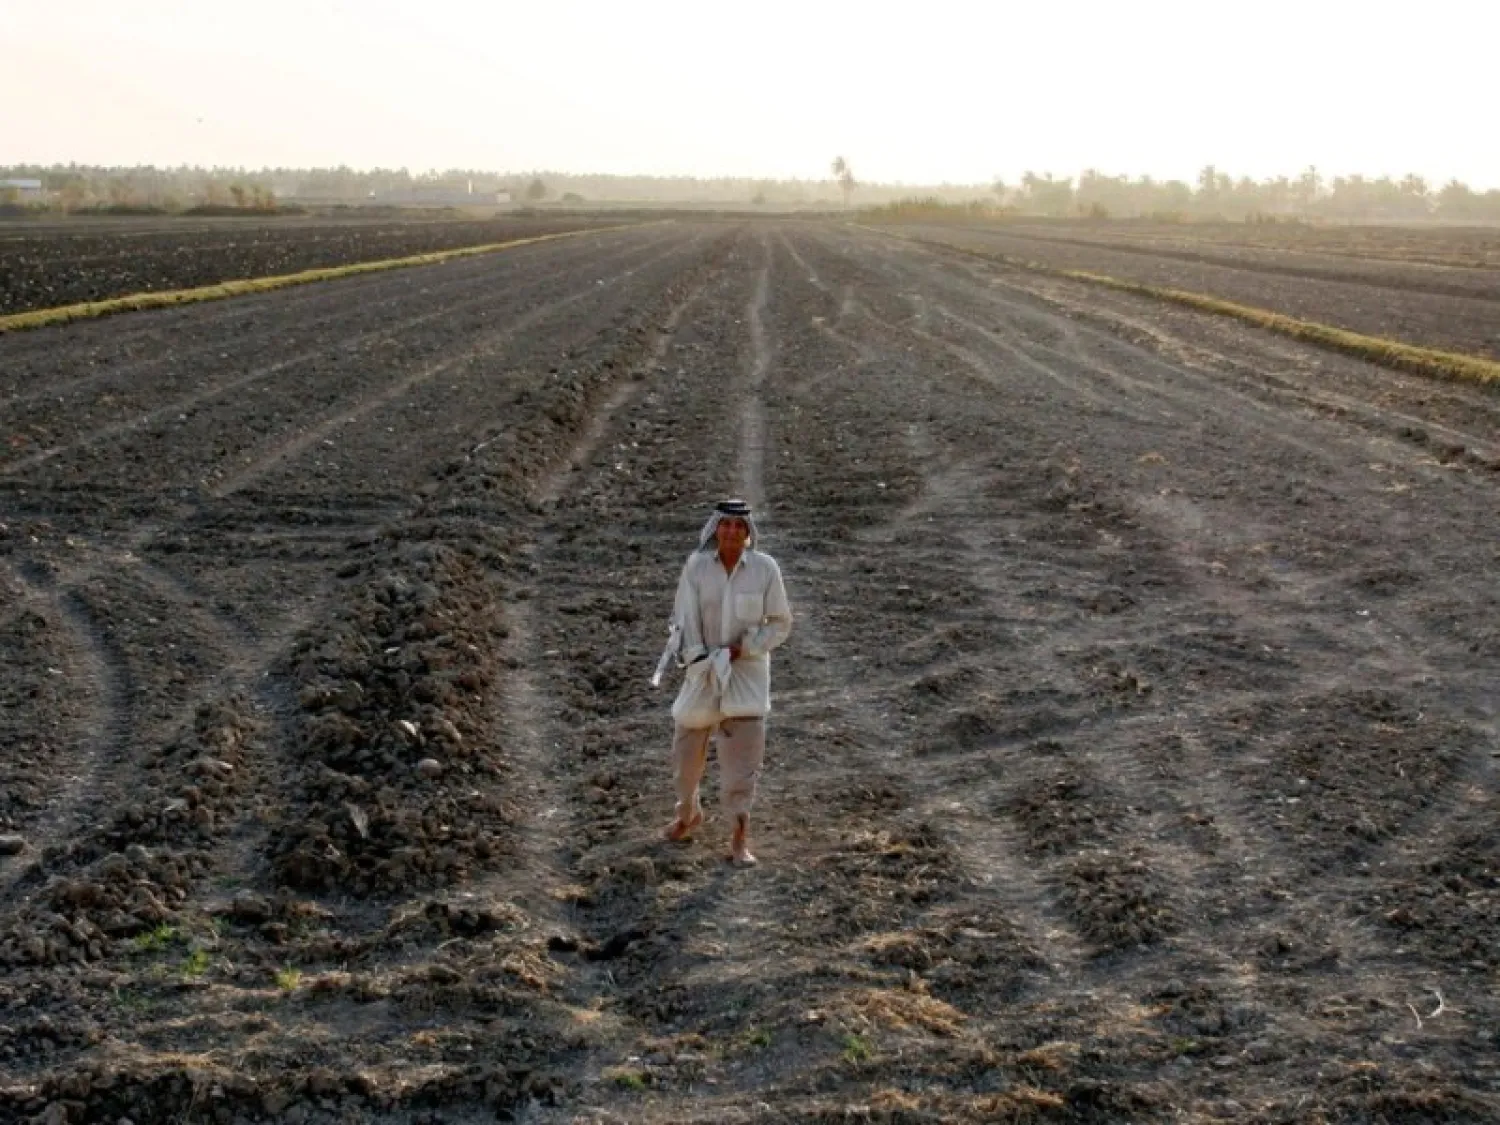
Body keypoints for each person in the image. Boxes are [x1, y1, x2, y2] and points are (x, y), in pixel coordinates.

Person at [661, 498, 792, 865]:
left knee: (742, 768)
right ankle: (687, 814)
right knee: (686, 759)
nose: (732, 532)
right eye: (726, 525)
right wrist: (697, 656)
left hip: (746, 676)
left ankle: (739, 838)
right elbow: (683, 618)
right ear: (715, 529)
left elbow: (780, 623)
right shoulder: (697, 567)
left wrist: (744, 649)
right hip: (702, 672)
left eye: (739, 527)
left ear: (748, 532)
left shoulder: (765, 569)